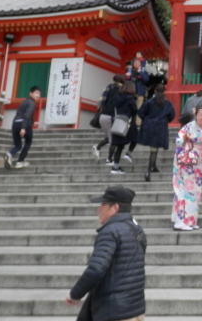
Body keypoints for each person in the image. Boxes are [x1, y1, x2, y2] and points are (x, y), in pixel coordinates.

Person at [65, 186, 146, 321]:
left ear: (115, 208)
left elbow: (96, 269)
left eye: (103, 204)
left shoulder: (110, 232)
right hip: (135, 309)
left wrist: (75, 294)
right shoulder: (137, 230)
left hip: (114, 310)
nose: (99, 209)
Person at [172, 104, 202, 231]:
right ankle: (180, 221)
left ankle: (191, 221)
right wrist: (184, 140)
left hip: (197, 163)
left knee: (195, 192)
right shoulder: (188, 127)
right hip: (184, 162)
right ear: (195, 115)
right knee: (182, 191)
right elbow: (178, 139)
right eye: (200, 114)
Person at [137, 84, 176, 182]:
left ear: (154, 91)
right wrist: (165, 120)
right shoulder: (167, 103)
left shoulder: (149, 102)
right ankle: (148, 171)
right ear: (164, 92)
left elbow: (141, 112)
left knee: (153, 148)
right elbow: (172, 115)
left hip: (149, 126)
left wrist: (146, 119)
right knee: (154, 149)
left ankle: (153, 167)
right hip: (160, 127)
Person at [92, 74, 126, 164]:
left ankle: (98, 147)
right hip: (111, 116)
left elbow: (101, 100)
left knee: (109, 137)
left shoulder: (109, 87)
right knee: (114, 140)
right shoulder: (121, 90)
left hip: (102, 115)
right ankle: (109, 159)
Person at [4, 86, 40, 169]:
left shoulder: (24, 102)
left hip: (15, 123)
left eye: (39, 94)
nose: (38, 95)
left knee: (18, 145)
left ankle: (10, 154)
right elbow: (27, 115)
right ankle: (20, 161)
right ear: (31, 94)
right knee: (28, 141)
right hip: (24, 124)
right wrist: (23, 127)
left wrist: (33, 122)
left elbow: (23, 114)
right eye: (36, 93)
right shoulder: (32, 103)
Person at [109, 81, 139, 175]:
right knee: (136, 138)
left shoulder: (116, 97)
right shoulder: (130, 98)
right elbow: (134, 110)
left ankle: (115, 167)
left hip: (117, 122)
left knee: (119, 146)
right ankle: (128, 153)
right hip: (127, 122)